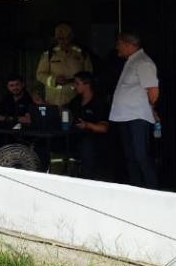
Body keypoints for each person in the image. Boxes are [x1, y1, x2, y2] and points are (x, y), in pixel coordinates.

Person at [109, 32, 160, 189]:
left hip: (137, 117)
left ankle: (153, 190)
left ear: (128, 44)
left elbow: (153, 91)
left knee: (140, 156)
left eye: (119, 44)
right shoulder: (132, 60)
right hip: (125, 117)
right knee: (131, 157)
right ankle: (136, 189)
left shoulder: (143, 62)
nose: (117, 47)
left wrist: (150, 108)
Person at [36, 23, 93, 107]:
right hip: (53, 100)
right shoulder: (49, 54)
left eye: (65, 38)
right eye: (59, 38)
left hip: (74, 99)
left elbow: (89, 75)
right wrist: (54, 80)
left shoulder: (81, 53)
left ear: (71, 37)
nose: (62, 41)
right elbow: (40, 75)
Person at [67, 71, 109, 180]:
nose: (74, 86)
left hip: (94, 142)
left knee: (87, 145)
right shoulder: (76, 101)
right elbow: (63, 110)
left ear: (87, 84)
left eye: (77, 83)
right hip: (75, 138)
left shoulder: (99, 102)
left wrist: (87, 125)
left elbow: (104, 128)